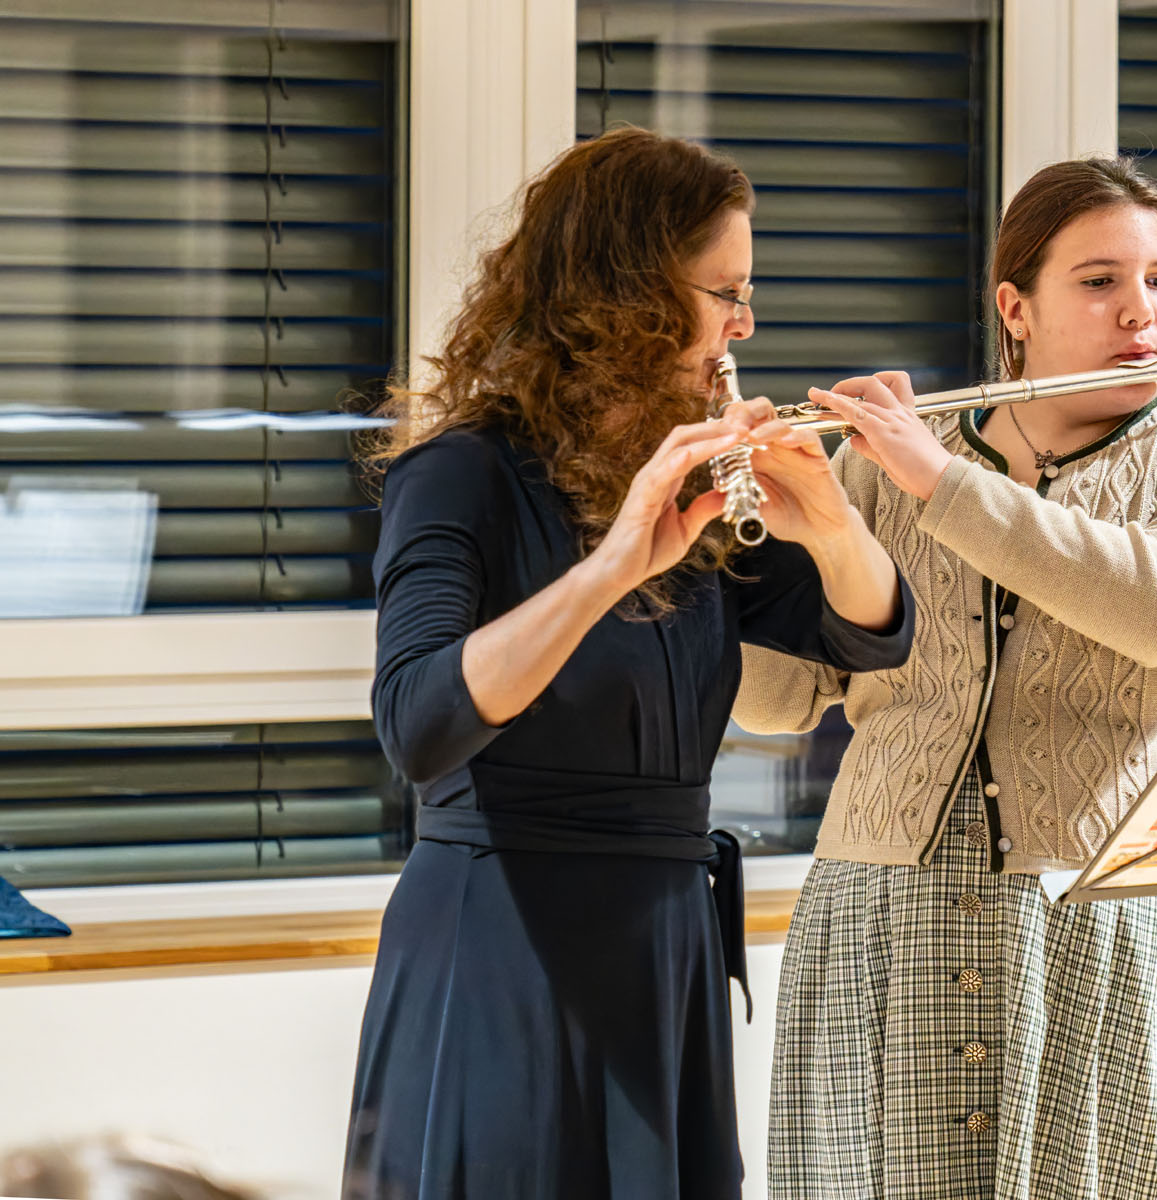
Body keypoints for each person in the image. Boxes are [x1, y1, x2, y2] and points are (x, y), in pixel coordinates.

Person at [343, 126, 913, 1198]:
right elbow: (419, 725)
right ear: (627, 296)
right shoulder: (461, 474)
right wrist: (612, 567)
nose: (744, 325)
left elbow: (867, 635)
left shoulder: (698, 479)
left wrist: (833, 520)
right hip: (501, 939)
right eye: (725, 293)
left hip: (665, 941)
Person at [734, 156, 1157, 1200]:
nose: (1142, 312)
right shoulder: (879, 465)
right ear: (1015, 308)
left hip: (1112, 921)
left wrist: (938, 481)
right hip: (885, 912)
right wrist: (719, 543)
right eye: (1100, 281)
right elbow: (778, 700)